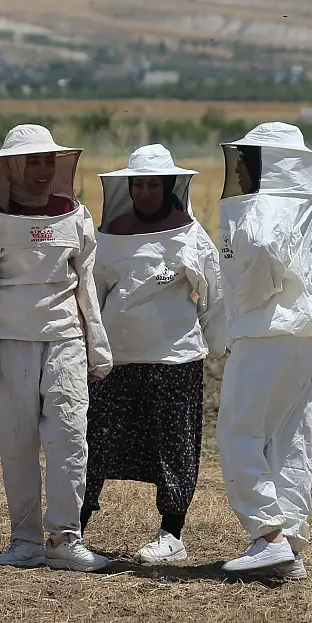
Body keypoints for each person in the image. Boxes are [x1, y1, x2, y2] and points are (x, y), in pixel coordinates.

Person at [0, 124, 113, 573]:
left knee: (70, 438)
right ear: (11, 165)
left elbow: (86, 283)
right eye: (33, 161)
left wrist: (98, 347)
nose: (43, 170)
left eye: (49, 160)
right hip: (10, 341)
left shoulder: (76, 214)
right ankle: (24, 541)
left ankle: (66, 537)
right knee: (17, 443)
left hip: (65, 338)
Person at [84, 145, 228, 565]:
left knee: (175, 444)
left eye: (154, 185)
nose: (146, 192)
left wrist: (215, 343)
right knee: (95, 439)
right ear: (129, 187)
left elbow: (214, 296)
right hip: (117, 360)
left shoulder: (190, 234)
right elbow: (93, 295)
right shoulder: (109, 234)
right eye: (139, 184)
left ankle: (171, 532)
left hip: (176, 360)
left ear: (169, 187)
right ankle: (74, 528)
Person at [214, 122, 312, 582]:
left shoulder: (265, 206)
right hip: (305, 335)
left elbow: (263, 251)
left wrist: (248, 299)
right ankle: (290, 544)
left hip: (268, 335)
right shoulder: (302, 208)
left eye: (247, 162)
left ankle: (269, 537)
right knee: (289, 438)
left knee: (239, 433)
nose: (240, 171)